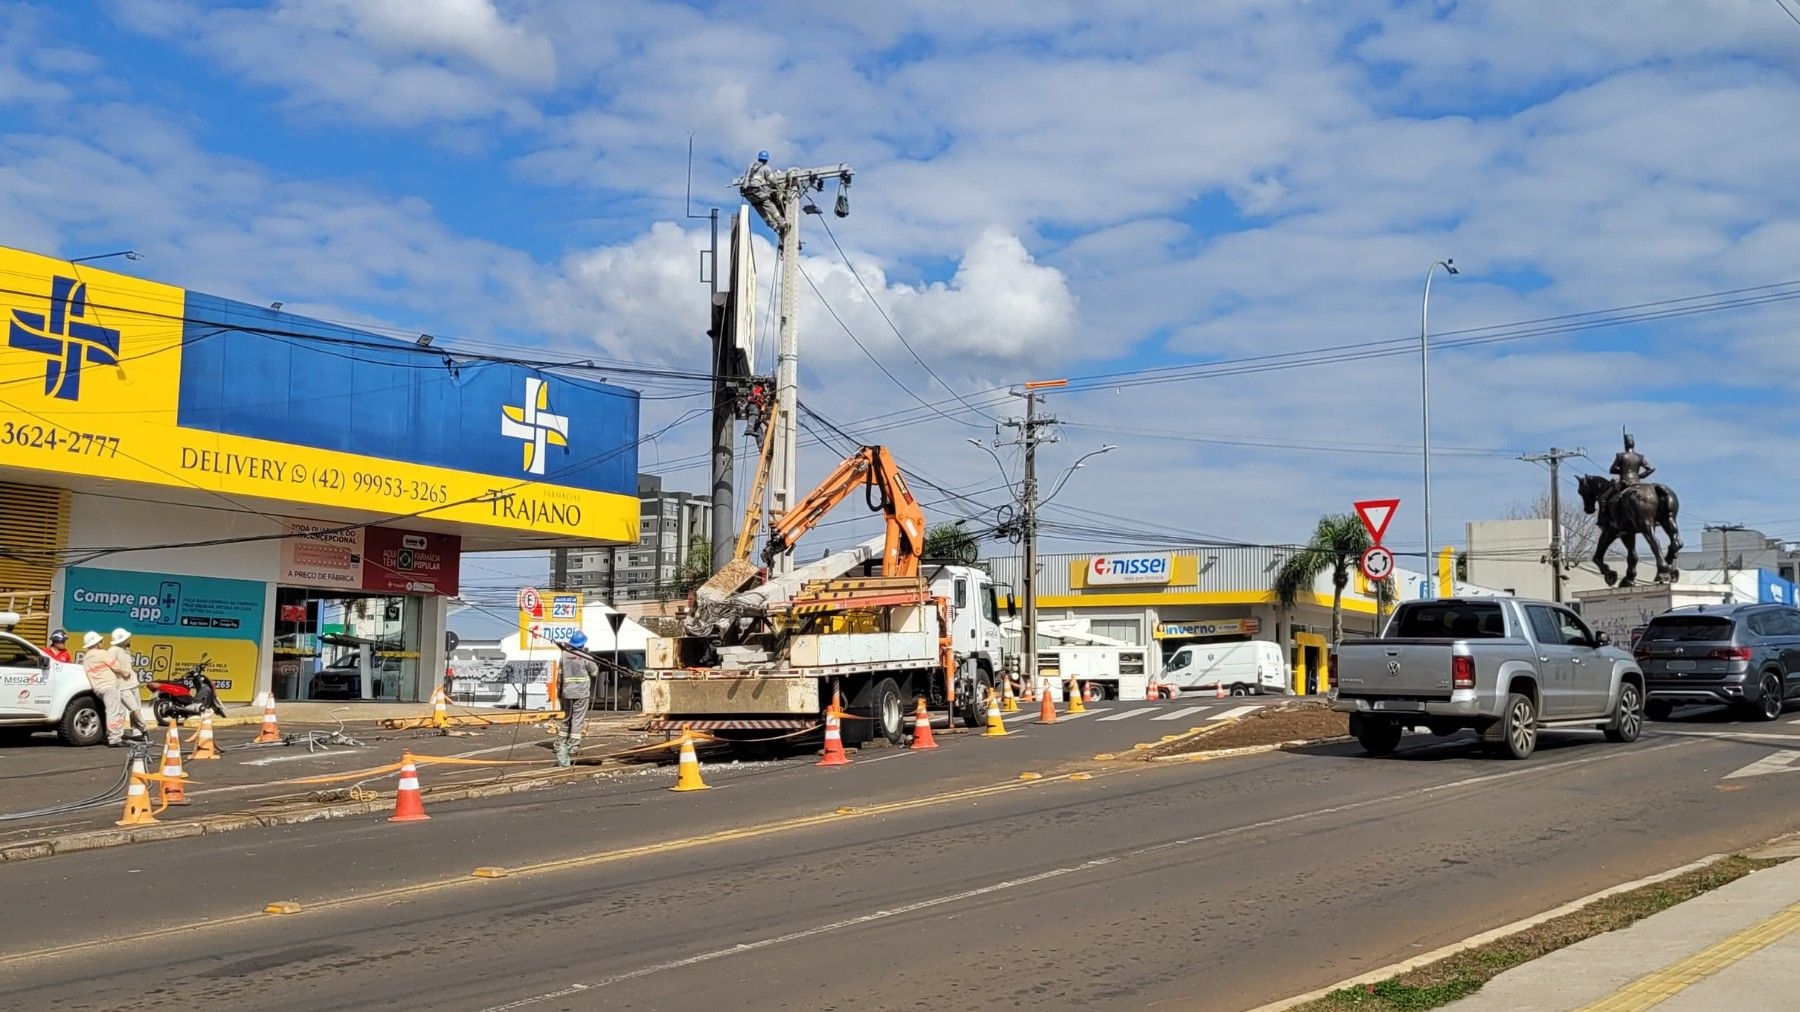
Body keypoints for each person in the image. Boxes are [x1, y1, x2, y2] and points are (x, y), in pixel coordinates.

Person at [81, 631, 135, 746]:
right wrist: (124, 673)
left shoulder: (86, 657)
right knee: (114, 712)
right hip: (109, 686)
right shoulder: (102, 653)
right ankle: (114, 738)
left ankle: (116, 735)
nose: (102, 642)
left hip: (98, 688)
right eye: (100, 641)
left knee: (119, 710)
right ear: (96, 643)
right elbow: (116, 666)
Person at [553, 631, 599, 767]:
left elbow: (560, 674)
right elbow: (595, 672)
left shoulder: (564, 655)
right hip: (581, 693)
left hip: (567, 692)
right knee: (577, 720)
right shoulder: (585, 656)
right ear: (583, 643)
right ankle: (573, 747)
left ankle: (560, 743)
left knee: (567, 718)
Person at [1603, 432, 1656, 514]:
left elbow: (1612, 470)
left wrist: (1622, 471)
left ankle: (1604, 519)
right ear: (1633, 444)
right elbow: (1651, 469)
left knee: (1604, 497)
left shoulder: (1620, 456)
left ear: (1625, 444)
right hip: (1637, 483)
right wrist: (1640, 476)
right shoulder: (1640, 457)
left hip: (1623, 484)